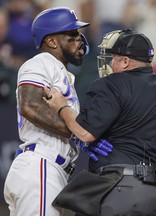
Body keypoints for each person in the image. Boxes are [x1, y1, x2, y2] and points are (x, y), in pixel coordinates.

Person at [44, 28, 156, 216]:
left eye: (113, 58)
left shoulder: (111, 84)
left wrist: (62, 106)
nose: (111, 63)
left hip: (120, 191)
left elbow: (85, 133)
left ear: (126, 61)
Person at [3, 7, 112, 216]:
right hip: (41, 167)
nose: (80, 39)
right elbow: (29, 105)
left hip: (47, 170)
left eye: (79, 33)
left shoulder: (60, 71)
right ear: (52, 41)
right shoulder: (41, 62)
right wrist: (79, 134)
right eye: (72, 34)